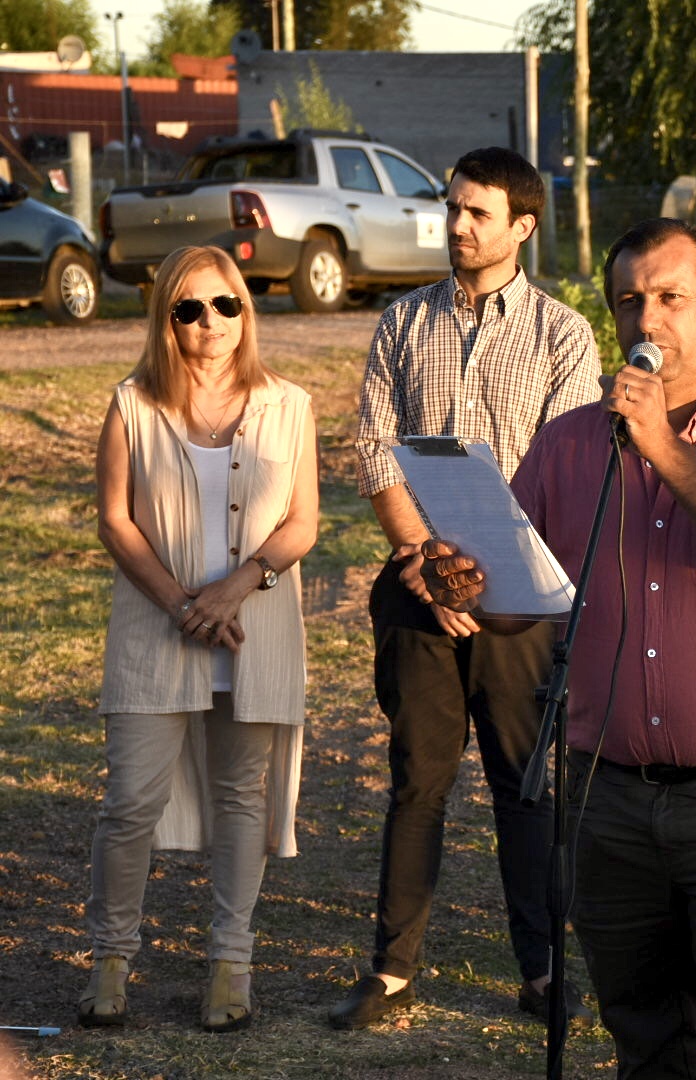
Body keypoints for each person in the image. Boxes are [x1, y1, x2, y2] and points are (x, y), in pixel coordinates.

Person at [421, 218, 696, 1077]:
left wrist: (666, 449)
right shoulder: (569, 443)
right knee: (645, 1039)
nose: (645, 319)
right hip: (607, 801)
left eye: (669, 297)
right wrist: (467, 585)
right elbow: (521, 608)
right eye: (627, 301)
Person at [332, 146, 601, 1029]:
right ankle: (392, 970)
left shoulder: (563, 334)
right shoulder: (404, 321)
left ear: (522, 226)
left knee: (526, 789)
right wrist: (427, 564)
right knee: (418, 782)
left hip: (522, 601)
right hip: (421, 590)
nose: (457, 225)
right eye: (452, 208)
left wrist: (485, 575)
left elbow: (569, 471)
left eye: (477, 212)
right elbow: (375, 447)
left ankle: (542, 973)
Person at [87, 244, 319, 1032]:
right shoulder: (132, 405)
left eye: (226, 305)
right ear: (165, 320)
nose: (211, 322)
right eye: (189, 309)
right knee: (130, 803)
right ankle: (112, 957)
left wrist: (233, 588)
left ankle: (231, 963)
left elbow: (303, 522)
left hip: (255, 630)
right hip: (156, 633)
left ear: (245, 310)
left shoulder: (290, 404)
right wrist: (182, 602)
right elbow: (115, 519)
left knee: (238, 798)